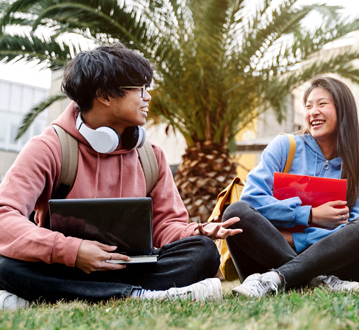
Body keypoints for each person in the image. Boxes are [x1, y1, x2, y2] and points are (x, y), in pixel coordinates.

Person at [0, 44, 240, 310]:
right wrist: (72, 250)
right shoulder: (48, 147)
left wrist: (197, 231)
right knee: (4, 264)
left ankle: (79, 294)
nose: (147, 97)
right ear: (104, 96)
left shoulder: (151, 156)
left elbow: (164, 227)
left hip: (132, 265)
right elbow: (4, 216)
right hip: (65, 265)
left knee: (203, 252)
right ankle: (141, 295)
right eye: (139, 90)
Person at [224, 76, 359, 298]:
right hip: (269, 258)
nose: (313, 111)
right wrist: (310, 215)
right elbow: (252, 200)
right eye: (308, 106)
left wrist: (291, 236)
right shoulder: (284, 146)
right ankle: (313, 281)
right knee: (236, 213)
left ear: (343, 110)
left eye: (322, 104)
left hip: (329, 265)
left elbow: (356, 232)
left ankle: (278, 279)